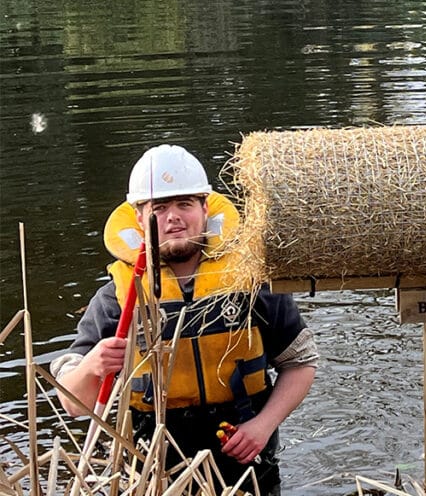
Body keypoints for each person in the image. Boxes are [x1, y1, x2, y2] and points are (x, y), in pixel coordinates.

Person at [51, 144, 318, 495]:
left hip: (245, 456)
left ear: (206, 208)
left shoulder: (253, 282)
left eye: (184, 204)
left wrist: (264, 425)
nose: (173, 217)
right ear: (138, 218)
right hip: (153, 464)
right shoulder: (116, 299)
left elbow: (301, 363)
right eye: (159, 208)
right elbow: (73, 405)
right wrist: (92, 366)